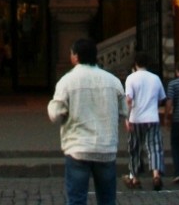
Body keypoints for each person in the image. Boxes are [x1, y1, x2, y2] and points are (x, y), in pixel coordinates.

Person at [47, 34, 127, 205]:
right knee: (107, 200)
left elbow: (55, 113)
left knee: (76, 199)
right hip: (106, 147)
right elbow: (123, 112)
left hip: (78, 147)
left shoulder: (67, 81)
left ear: (75, 56)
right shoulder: (113, 81)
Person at [124, 50, 166, 190]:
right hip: (152, 118)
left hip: (136, 118)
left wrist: (127, 118)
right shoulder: (155, 78)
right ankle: (156, 175)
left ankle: (135, 178)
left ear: (135, 63)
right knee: (154, 147)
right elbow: (161, 99)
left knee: (134, 148)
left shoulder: (131, 78)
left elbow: (129, 100)